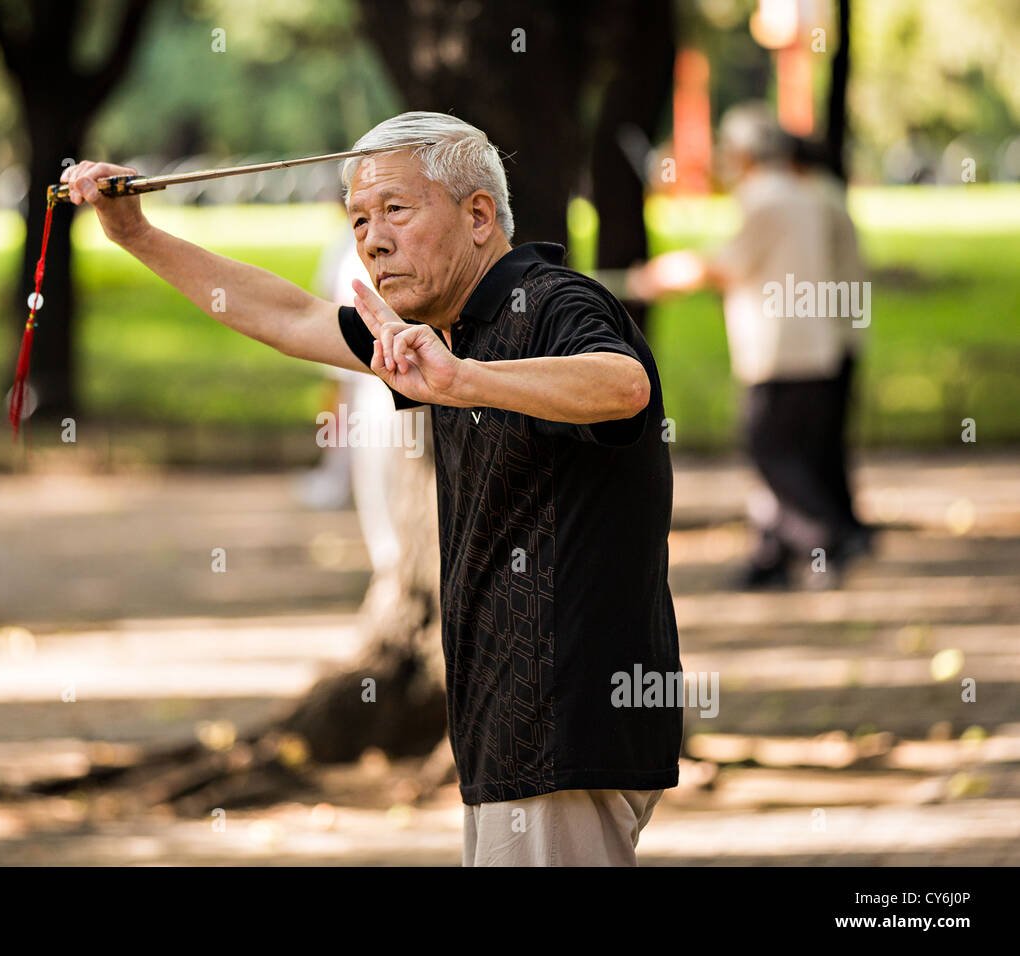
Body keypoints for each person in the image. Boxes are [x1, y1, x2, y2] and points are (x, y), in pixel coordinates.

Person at [61, 111, 681, 866]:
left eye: (395, 209)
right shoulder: (448, 326)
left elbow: (625, 386)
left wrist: (465, 381)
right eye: (358, 217)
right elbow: (287, 315)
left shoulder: (549, 302)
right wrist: (136, 236)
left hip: (564, 724)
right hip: (515, 731)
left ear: (479, 215)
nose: (373, 237)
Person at [629, 103, 873, 590]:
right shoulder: (805, 194)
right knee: (791, 451)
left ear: (743, 154)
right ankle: (773, 556)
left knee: (769, 451)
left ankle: (826, 535)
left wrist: (661, 275)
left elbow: (724, 265)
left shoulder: (763, 200)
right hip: (813, 344)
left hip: (778, 350)